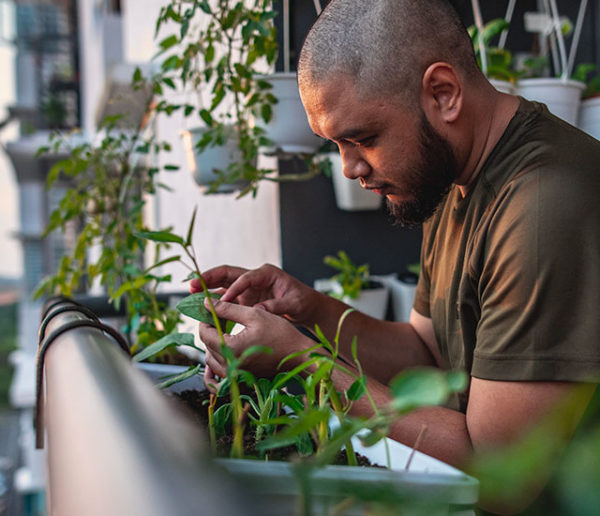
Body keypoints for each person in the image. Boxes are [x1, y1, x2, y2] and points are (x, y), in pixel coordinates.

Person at [192, 0, 600, 510]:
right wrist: (310, 313)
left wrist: (303, 362)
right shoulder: (451, 178)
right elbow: (426, 353)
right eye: (335, 144)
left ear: (443, 93)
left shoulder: (544, 205)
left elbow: (500, 472)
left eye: (363, 137)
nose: (349, 168)